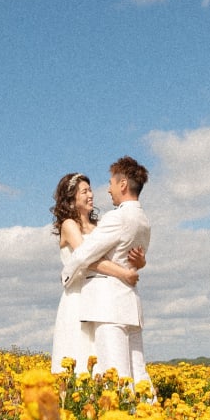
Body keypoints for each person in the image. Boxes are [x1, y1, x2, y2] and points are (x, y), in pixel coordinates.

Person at [62, 156, 152, 383]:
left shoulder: (116, 217)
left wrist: (66, 274)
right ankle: (147, 406)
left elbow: (84, 254)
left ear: (123, 184)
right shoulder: (143, 219)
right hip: (128, 304)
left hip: (108, 306)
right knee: (138, 373)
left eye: (111, 183)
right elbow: (130, 257)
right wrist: (137, 266)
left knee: (116, 374)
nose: (108, 189)